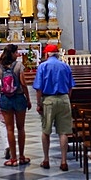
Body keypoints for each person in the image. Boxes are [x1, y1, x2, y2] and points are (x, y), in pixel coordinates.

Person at [32, 43, 75, 171]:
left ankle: (46, 159)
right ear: (57, 54)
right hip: (64, 98)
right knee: (63, 132)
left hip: (48, 100)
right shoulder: (65, 66)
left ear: (46, 54)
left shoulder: (43, 66)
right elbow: (70, 86)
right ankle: (63, 161)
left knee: (46, 131)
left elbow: (39, 88)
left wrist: (39, 104)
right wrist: (67, 98)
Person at [0, 43, 32, 167]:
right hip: (18, 98)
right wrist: (28, 99)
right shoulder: (18, 66)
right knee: (21, 128)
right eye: (16, 52)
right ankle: (21, 156)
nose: (18, 54)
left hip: (6, 98)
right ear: (12, 53)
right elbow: (23, 83)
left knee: (9, 129)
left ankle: (13, 158)